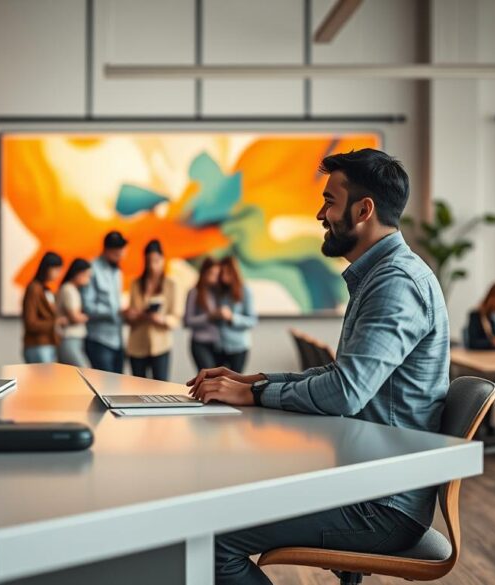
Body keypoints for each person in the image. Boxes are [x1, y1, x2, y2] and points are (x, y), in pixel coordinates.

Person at [186, 149, 448, 585]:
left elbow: (346, 391)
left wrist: (252, 395)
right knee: (219, 499)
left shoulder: (396, 284)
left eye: (329, 200)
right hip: (366, 483)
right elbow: (343, 376)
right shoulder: (382, 276)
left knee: (209, 537)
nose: (319, 213)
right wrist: (256, 381)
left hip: (380, 504)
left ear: (363, 210)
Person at [126, 240, 182, 380]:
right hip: (137, 343)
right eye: (149, 261)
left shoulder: (171, 284)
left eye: (156, 261)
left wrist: (161, 319)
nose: (152, 265)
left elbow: (176, 317)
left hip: (160, 344)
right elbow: (131, 313)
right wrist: (134, 315)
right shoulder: (136, 283)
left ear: (163, 260)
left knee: (161, 388)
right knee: (137, 389)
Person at [83, 230, 128, 373]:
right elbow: (87, 306)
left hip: (118, 339)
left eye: (121, 249)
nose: (120, 253)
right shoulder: (92, 269)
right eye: (116, 249)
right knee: (104, 388)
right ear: (106, 249)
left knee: (118, 389)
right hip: (99, 340)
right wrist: (115, 312)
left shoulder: (117, 271)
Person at [215, 256, 257, 373]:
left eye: (227, 273)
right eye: (221, 273)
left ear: (234, 273)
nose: (223, 277)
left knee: (235, 383)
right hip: (219, 345)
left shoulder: (245, 290)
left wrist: (232, 317)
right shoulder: (220, 291)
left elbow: (252, 320)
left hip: (239, 346)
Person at [22, 252, 65, 363]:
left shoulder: (46, 290)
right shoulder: (34, 288)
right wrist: (55, 323)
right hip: (37, 345)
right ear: (46, 268)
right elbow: (30, 323)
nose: (58, 274)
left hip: (49, 343)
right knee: (44, 380)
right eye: (56, 269)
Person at [184, 257, 223, 370]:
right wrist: (209, 317)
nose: (215, 278)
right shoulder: (194, 292)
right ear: (204, 273)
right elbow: (187, 321)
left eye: (217, 274)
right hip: (200, 343)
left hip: (217, 343)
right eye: (212, 273)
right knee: (207, 376)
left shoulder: (217, 293)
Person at [57, 258, 92, 367]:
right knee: (85, 372)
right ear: (78, 273)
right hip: (69, 339)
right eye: (86, 275)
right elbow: (74, 317)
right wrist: (86, 317)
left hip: (75, 339)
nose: (88, 279)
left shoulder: (74, 289)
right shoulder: (68, 289)